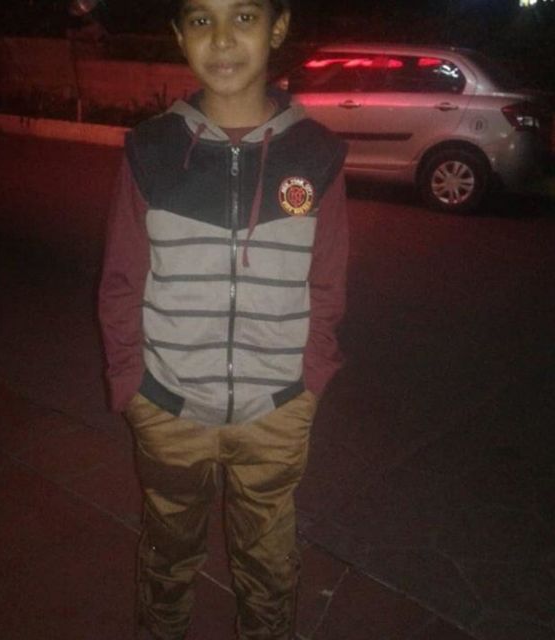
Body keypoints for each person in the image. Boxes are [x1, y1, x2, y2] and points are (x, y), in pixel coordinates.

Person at [98, 0, 349, 638]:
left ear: (278, 26)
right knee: (168, 549)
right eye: (201, 20)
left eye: (243, 17)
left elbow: (327, 282)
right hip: (168, 405)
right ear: (179, 34)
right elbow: (122, 280)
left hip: (276, 408)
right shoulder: (152, 150)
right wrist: (132, 385)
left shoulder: (316, 153)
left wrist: (310, 381)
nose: (222, 39)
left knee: (268, 561)